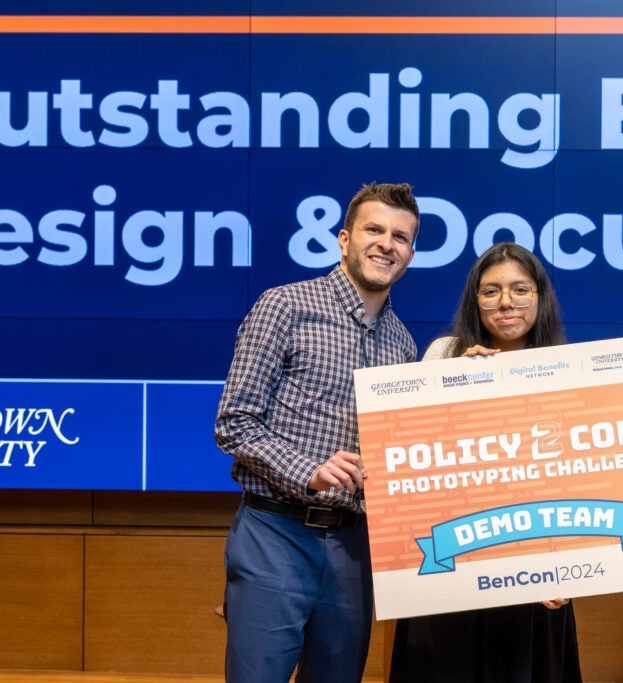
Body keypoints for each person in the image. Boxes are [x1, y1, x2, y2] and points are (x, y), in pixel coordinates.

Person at [214, 182, 419, 683]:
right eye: (374, 229)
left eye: (400, 236)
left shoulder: (404, 344)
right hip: (274, 534)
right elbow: (233, 421)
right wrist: (309, 470)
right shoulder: (284, 306)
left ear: (410, 253)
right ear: (344, 239)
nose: (386, 244)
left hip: (353, 548)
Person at [388, 242, 583, 683]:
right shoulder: (444, 353)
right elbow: (410, 454)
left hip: (534, 577)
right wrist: (452, 382)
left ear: (540, 297)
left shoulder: (567, 370)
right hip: (452, 568)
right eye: (491, 291)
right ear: (475, 300)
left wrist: (567, 569)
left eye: (520, 289)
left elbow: (577, 481)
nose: (506, 302)